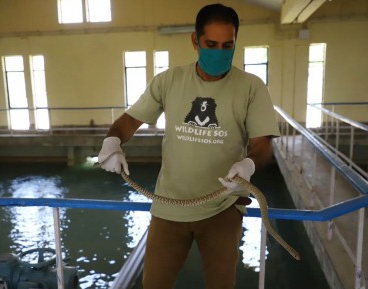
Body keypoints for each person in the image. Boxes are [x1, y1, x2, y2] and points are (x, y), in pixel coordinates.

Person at [97, 3, 280, 289]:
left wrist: (248, 164)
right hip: (169, 208)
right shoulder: (169, 80)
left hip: (224, 207)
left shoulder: (251, 87)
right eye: (211, 44)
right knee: (154, 284)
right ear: (195, 41)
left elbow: (263, 143)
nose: (219, 52)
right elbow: (129, 120)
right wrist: (112, 141)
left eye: (227, 45)